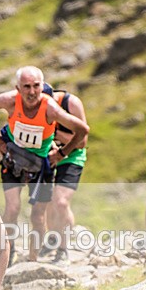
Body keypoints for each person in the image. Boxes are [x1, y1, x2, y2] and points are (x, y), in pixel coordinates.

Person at [0, 66, 89, 262]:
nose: (32, 92)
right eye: (26, 87)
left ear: (43, 87)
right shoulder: (10, 100)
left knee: (38, 216)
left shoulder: (52, 108)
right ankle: (7, 254)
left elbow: (82, 130)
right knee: (12, 208)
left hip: (41, 165)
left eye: (36, 86)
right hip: (14, 158)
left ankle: (34, 260)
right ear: (18, 88)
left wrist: (63, 153)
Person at [38, 83, 89, 266]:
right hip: (48, 155)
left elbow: (82, 142)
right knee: (48, 202)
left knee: (61, 202)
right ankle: (52, 241)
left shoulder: (71, 103)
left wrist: (55, 133)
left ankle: (63, 249)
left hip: (72, 156)